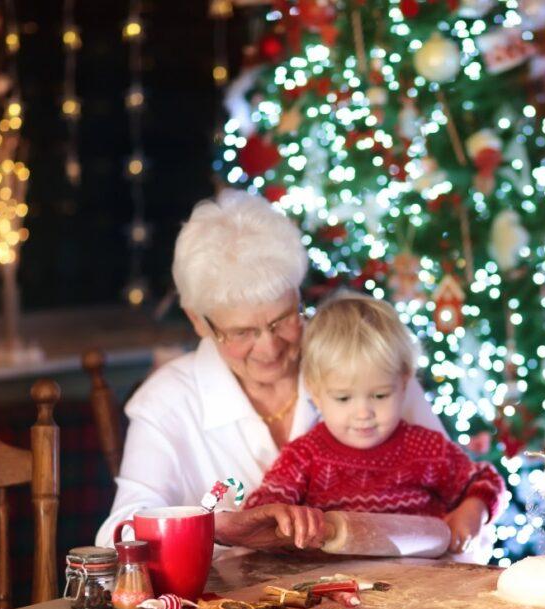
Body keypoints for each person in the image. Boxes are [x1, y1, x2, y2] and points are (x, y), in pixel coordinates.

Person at [95, 190, 447, 551]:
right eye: (242, 332)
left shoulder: (364, 358)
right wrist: (216, 527)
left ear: (298, 297)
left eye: (282, 320)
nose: (269, 347)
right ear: (198, 322)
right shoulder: (168, 400)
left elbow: (458, 508)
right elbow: (116, 538)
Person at [245, 292, 506, 557]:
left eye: (380, 395)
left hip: (424, 585)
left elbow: (485, 480)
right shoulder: (304, 456)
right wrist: (289, 521)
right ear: (315, 393)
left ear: (404, 383)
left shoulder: (426, 448)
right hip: (332, 589)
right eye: (343, 398)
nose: (363, 413)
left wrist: (473, 511)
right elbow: (261, 511)